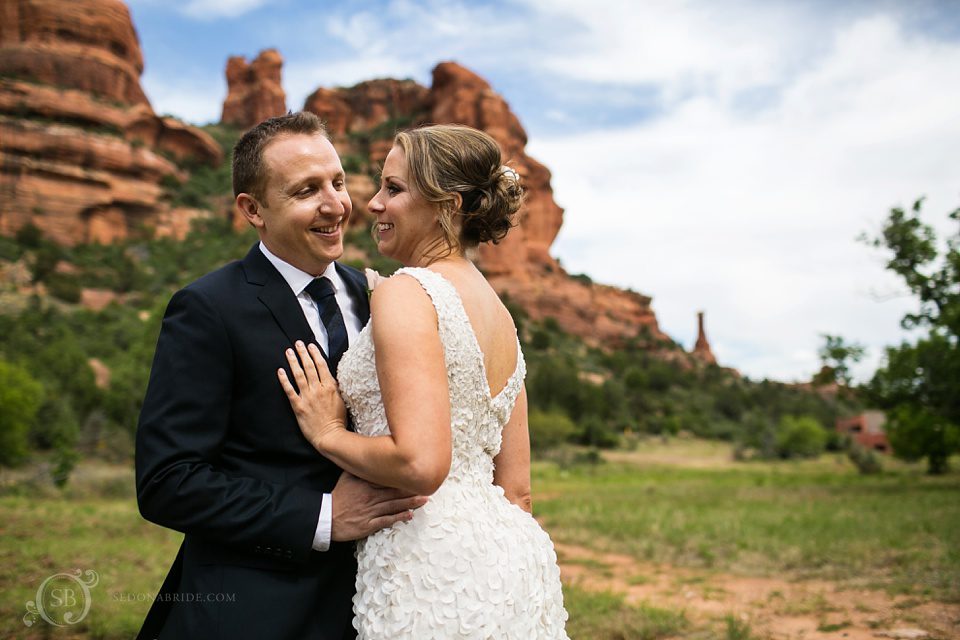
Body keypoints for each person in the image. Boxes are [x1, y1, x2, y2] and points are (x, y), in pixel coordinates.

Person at [135, 111, 425, 640]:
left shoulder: (381, 295)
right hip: (256, 611)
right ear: (253, 209)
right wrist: (322, 517)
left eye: (338, 182)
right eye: (305, 190)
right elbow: (167, 482)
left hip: (381, 602)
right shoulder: (206, 308)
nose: (335, 204)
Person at [280, 124, 570, 638]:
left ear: (448, 207)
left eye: (394, 189)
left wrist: (328, 435)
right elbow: (519, 492)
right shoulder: (501, 317)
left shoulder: (406, 293)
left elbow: (420, 463)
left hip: (427, 562)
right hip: (514, 564)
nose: (373, 204)